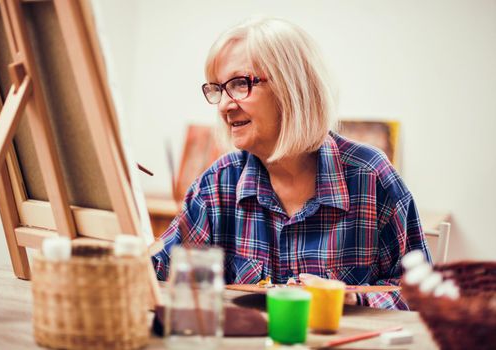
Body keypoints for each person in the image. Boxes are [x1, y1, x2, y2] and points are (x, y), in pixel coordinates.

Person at [153, 17, 431, 310]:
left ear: (292, 86)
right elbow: (158, 274)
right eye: (218, 89)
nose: (224, 105)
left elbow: (423, 296)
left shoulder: (371, 177)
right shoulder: (217, 184)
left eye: (239, 84)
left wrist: (352, 299)